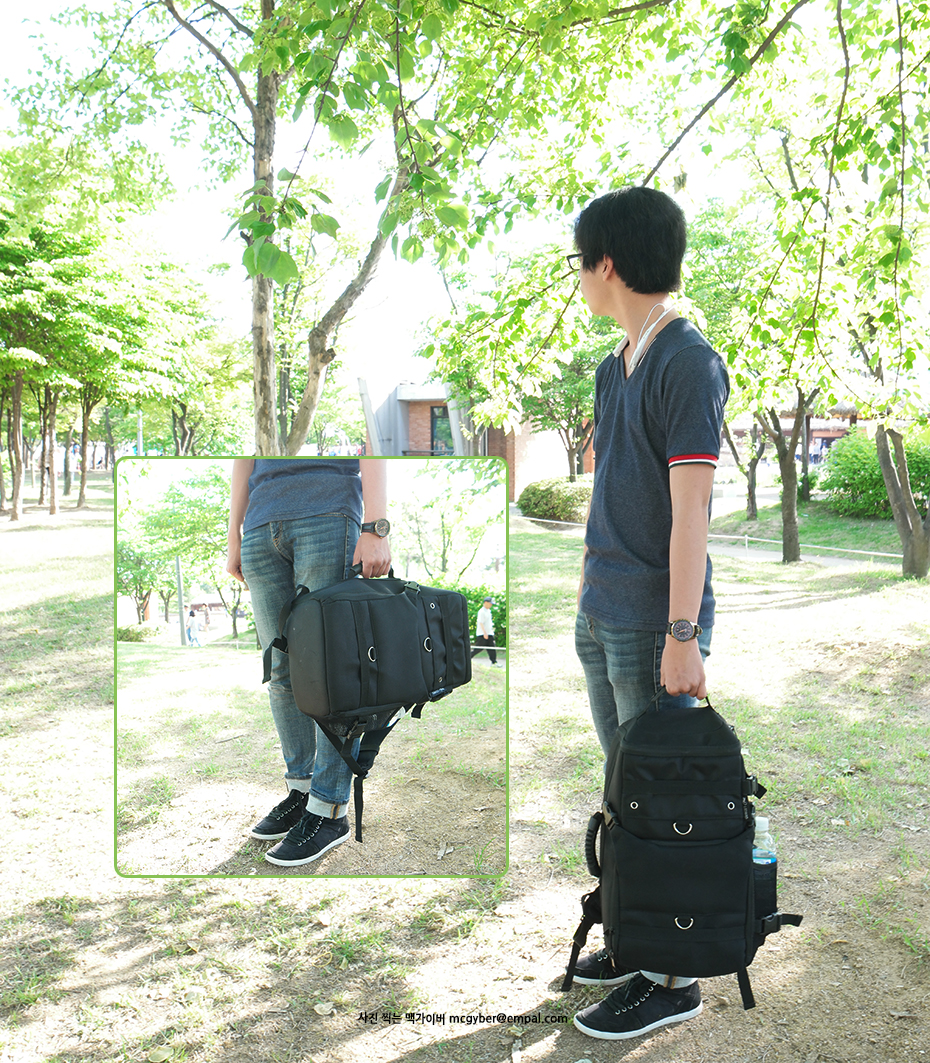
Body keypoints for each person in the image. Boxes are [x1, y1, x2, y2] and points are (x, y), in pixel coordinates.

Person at [566, 187, 729, 1040]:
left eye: (580, 262)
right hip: (602, 612)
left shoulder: (688, 362)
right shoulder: (613, 367)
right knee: (624, 794)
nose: (578, 278)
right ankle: (637, 936)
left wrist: (682, 635)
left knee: (664, 801)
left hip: (653, 626)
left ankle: (673, 978)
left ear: (609, 263)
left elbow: (692, 510)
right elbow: (614, 490)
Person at [225, 457, 391, 867]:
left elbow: (376, 441)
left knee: (331, 671)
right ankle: (301, 791)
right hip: (260, 525)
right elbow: (245, 457)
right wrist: (234, 534)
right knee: (280, 670)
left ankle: (329, 810)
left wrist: (375, 526)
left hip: (327, 513)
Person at [470, 596, 501, 665]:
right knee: (478, 649)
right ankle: (468, 658)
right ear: (485, 602)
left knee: (492, 648)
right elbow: (480, 622)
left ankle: (494, 662)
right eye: (490, 603)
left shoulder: (489, 611)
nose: (491, 605)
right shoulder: (481, 611)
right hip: (482, 634)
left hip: (489, 633)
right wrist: (484, 633)